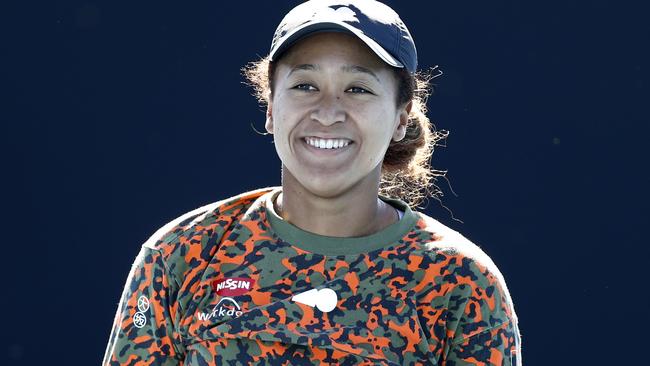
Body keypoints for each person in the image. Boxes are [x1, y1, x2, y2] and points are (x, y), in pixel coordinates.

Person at [103, 0, 522, 365]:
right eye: (305, 85)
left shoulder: (460, 282)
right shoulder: (182, 255)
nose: (327, 112)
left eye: (357, 89)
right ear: (270, 107)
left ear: (400, 117)